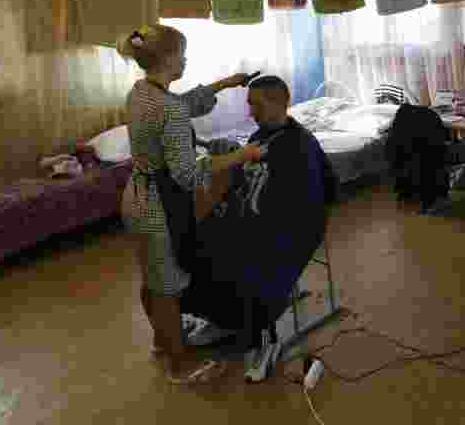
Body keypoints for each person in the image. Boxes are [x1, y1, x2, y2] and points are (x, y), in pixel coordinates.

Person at [118, 24, 263, 385]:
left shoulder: (141, 92)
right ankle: (179, 365)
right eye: (182, 55)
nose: (185, 61)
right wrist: (240, 155)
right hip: (158, 204)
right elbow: (188, 173)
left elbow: (179, 106)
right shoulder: (167, 108)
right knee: (167, 287)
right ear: (168, 60)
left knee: (153, 277)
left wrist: (226, 82)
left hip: (137, 194)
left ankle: (161, 340)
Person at [183, 75, 338, 382]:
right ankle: (224, 319)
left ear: (281, 103)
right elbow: (246, 177)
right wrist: (230, 157)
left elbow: (309, 204)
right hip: (251, 220)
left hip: (287, 229)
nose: (250, 112)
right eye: (249, 104)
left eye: (256, 105)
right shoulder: (259, 135)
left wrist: (252, 226)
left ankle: (260, 336)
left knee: (249, 260)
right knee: (192, 243)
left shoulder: (300, 146)